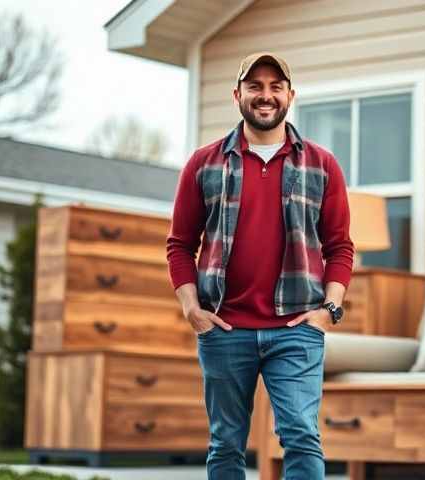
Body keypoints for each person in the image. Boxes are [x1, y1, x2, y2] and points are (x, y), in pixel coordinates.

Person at [166, 51, 354, 480]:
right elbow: (179, 245)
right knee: (226, 444)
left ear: (290, 95)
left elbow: (340, 246)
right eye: (255, 86)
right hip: (224, 329)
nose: (265, 96)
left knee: (302, 436)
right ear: (238, 95)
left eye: (275, 87)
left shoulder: (322, 165)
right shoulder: (204, 163)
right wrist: (191, 309)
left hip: (297, 330)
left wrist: (329, 311)